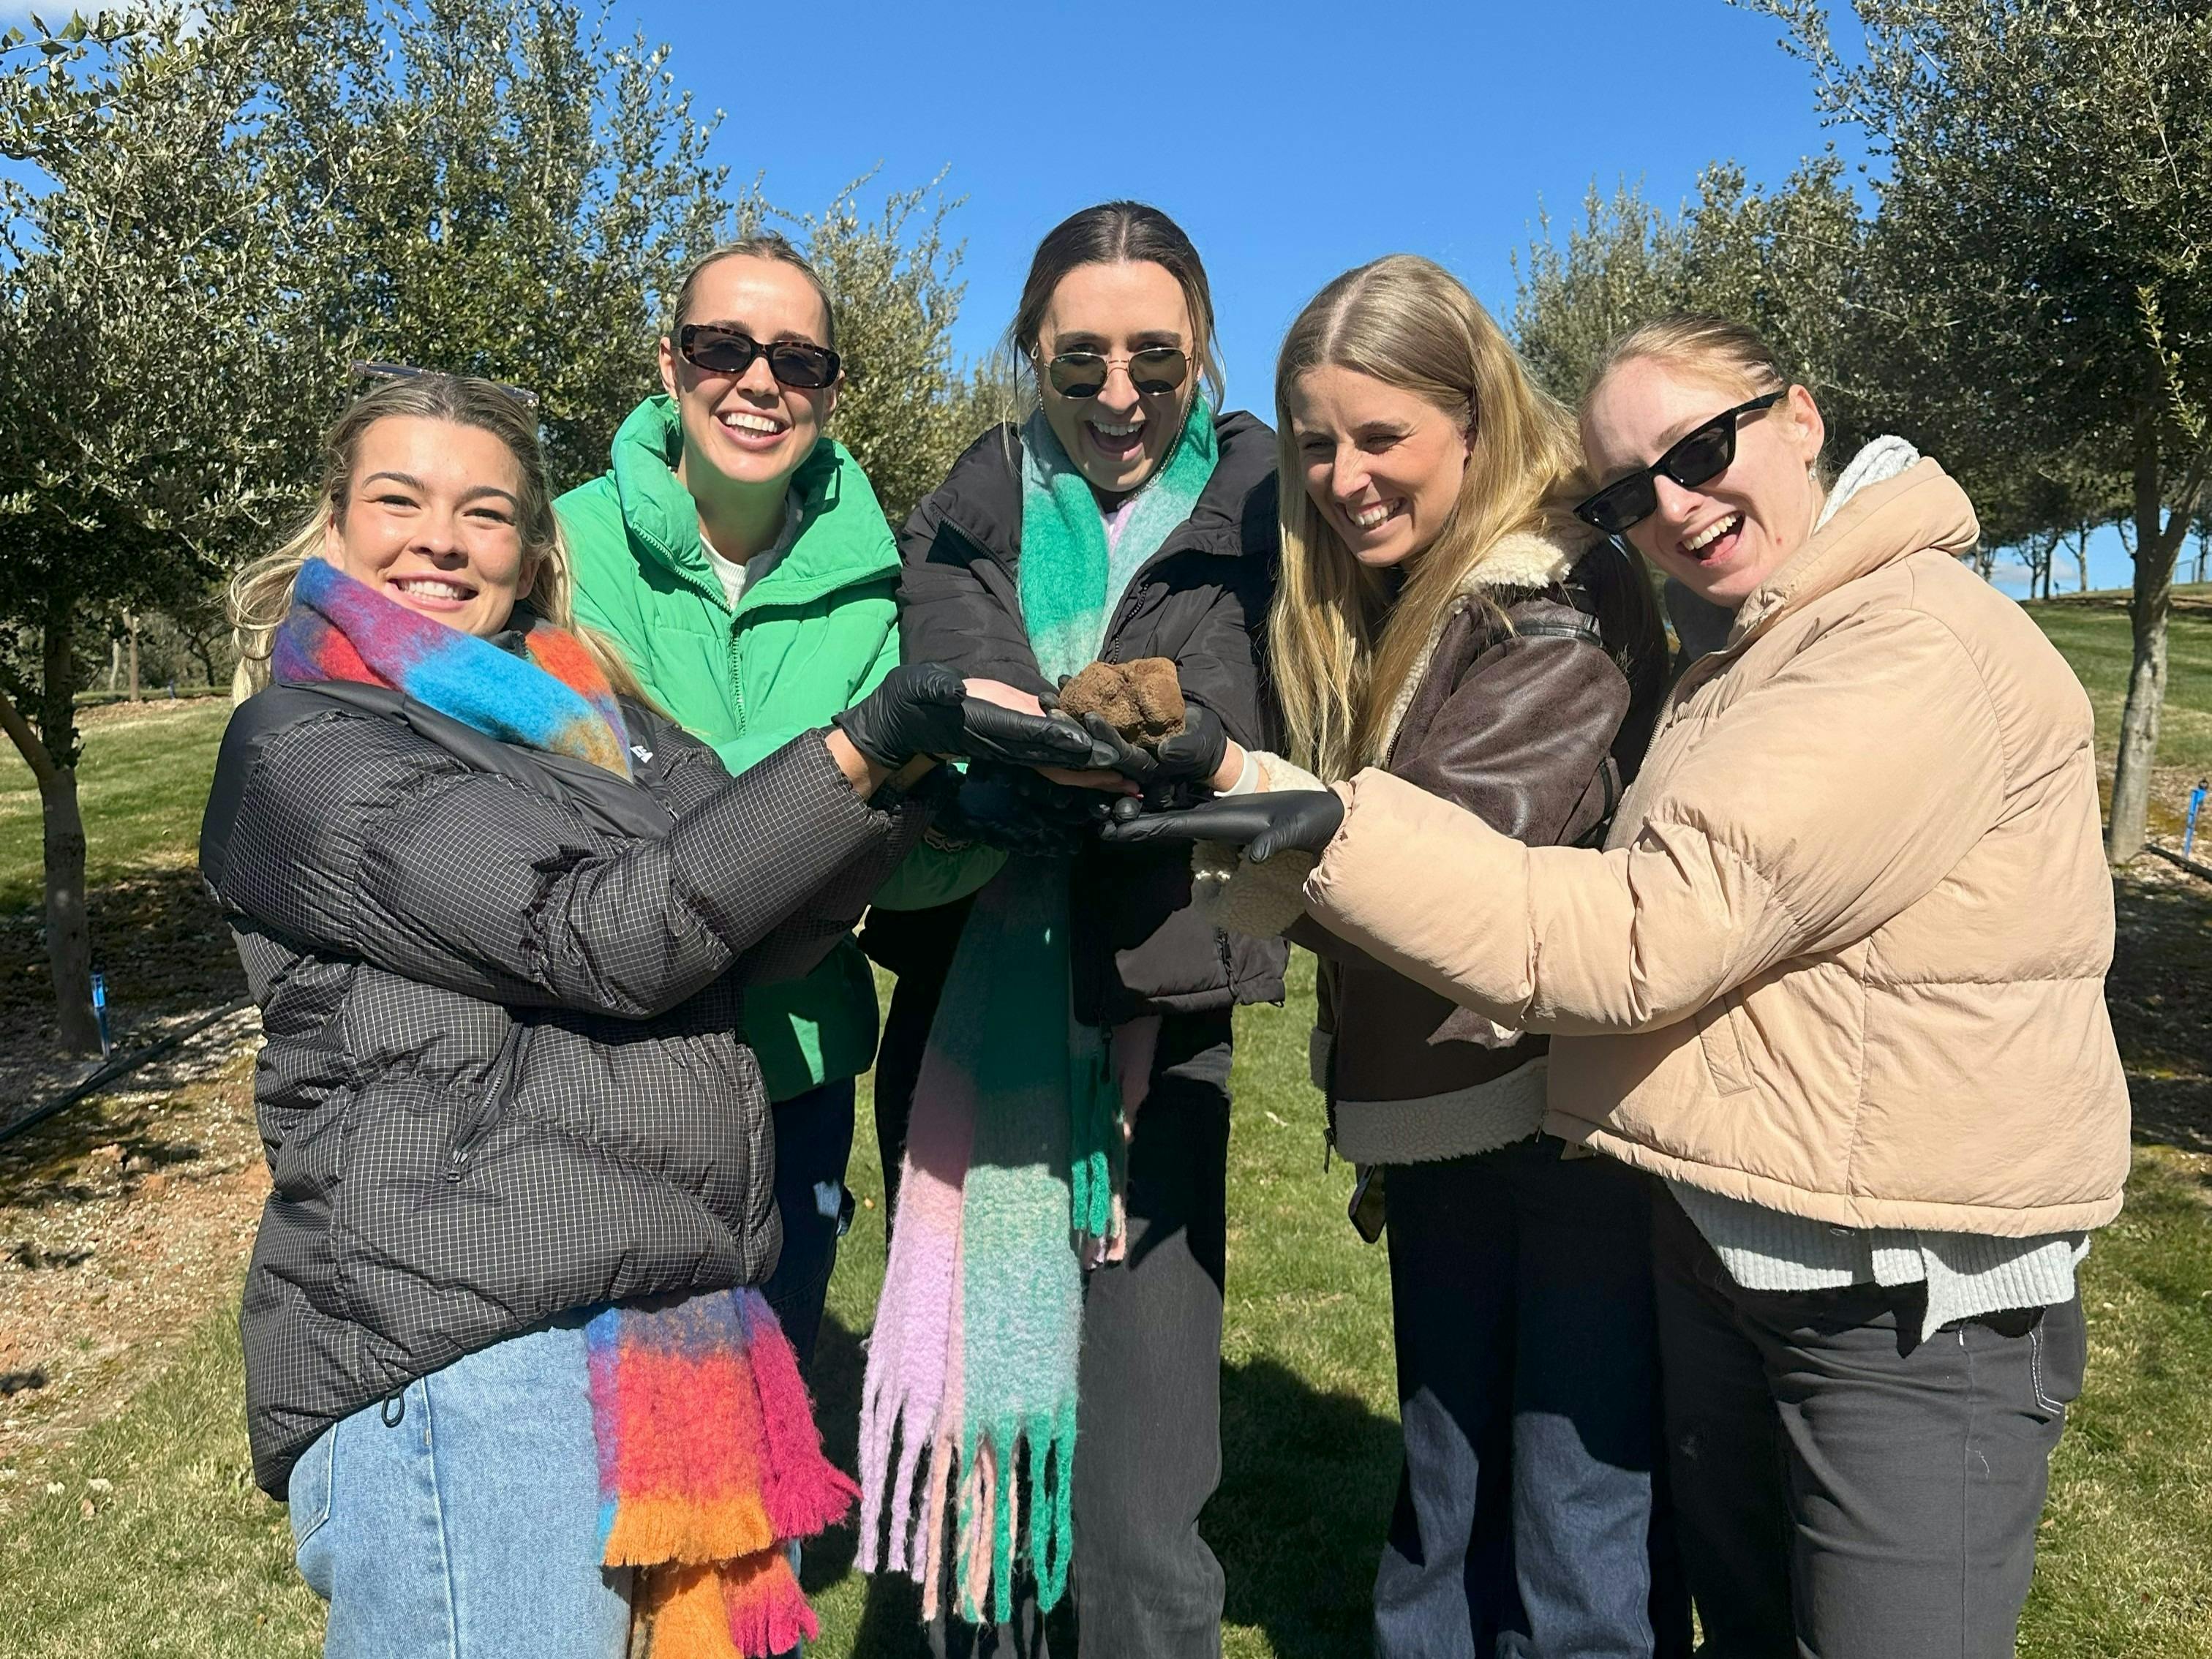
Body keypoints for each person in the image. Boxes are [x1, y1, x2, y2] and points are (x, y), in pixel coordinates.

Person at [1105, 315, 2131, 1659]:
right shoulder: (1761, 646)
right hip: (1755, 1239)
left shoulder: (1902, 648)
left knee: (1612, 1568)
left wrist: (1271, 803)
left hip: (1903, 1295)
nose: (1677, 506)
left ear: (1802, 417)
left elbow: (1637, 938)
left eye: (1704, 449)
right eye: (1632, 491)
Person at [205, 370, 1092, 1658]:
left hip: (652, 1330)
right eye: (398, 500)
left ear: (531, 548)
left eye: (487, 513)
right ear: (335, 530)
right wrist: (858, 743)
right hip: (465, 1355)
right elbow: (607, 934)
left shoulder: (592, 719)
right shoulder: (305, 747)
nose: (441, 539)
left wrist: (927, 793)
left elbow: (748, 912)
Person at [1189, 254, 1679, 1658]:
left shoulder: (1551, 600)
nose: (1345, 478)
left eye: (1382, 436)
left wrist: (1214, 801)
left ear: (1476, 418)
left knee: (1573, 1529)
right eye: (1319, 443)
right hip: (1459, 1110)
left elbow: (1454, 848)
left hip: (1559, 1114)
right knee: (1453, 1492)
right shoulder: (1417, 600)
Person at [854, 200, 1284, 1659]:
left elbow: (1284, 778)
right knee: (974, 1435)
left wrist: (1178, 967)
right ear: (1031, 353)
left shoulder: (1267, 521)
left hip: (1164, 1033)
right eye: (1080, 360)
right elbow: (954, 734)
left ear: (1203, 354)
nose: (1119, 397)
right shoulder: (963, 513)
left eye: (1155, 361)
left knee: (1147, 1503)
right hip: (970, 1018)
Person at [557, 234, 990, 1375]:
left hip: (797, 1064)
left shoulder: (879, 578)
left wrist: (978, 825)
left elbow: (883, 845)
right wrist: (842, 776)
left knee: (770, 1397)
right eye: (722, 347)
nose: (758, 382)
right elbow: (603, 802)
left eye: (798, 362)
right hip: (609, 1066)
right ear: (669, 364)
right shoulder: (566, 546)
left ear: (832, 392)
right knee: (620, 1436)